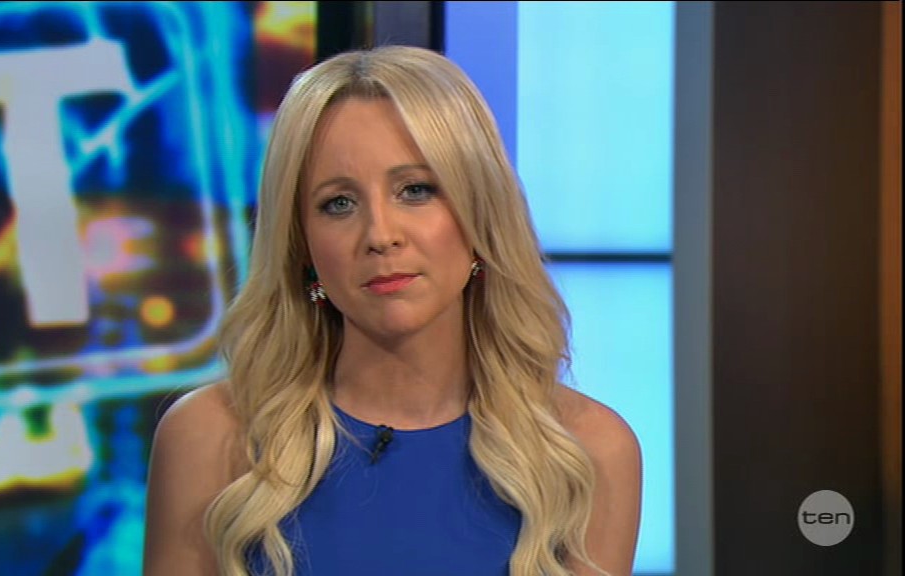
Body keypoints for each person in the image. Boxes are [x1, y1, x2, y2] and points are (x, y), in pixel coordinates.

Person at [143, 45, 642, 576]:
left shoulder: (588, 451)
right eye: (338, 203)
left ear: (480, 213)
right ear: (301, 245)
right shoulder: (210, 437)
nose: (380, 235)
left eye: (416, 190)